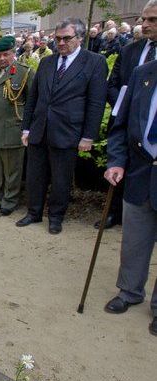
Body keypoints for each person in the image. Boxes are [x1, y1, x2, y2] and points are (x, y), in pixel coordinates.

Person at [17, 18, 108, 234]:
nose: (61, 43)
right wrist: (27, 128)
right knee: (35, 174)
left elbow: (96, 102)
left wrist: (88, 136)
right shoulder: (48, 62)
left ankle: (56, 217)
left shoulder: (94, 62)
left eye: (66, 38)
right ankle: (34, 212)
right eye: (57, 38)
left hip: (68, 131)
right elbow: (34, 98)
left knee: (61, 179)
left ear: (79, 38)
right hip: (39, 130)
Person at [102, 61, 157, 336]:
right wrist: (117, 160)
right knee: (134, 239)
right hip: (140, 173)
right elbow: (120, 123)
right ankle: (130, 290)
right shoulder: (142, 74)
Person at [101, 0, 157, 230]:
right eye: (143, 19)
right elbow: (113, 84)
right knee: (120, 173)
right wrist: (126, 107)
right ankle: (116, 213)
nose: (145, 24)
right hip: (128, 125)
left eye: (152, 19)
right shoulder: (130, 50)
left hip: (151, 134)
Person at [0, 36, 35, 216]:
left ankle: (10, 201)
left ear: (13, 54)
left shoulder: (24, 73)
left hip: (12, 130)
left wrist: (27, 128)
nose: (2, 58)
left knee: (12, 170)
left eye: (6, 54)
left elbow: (32, 104)